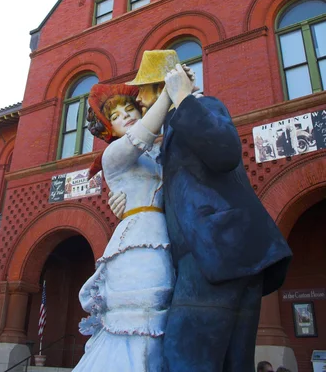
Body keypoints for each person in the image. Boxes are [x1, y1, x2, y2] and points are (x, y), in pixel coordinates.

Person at [110, 50, 293, 372]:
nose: (138, 101)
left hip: (215, 254)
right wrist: (130, 204)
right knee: (231, 364)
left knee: (185, 358)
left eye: (142, 91)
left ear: (163, 84)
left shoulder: (200, 108)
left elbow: (224, 152)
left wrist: (182, 95)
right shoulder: (174, 132)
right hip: (226, 257)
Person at [73, 82, 175, 372]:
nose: (126, 116)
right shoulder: (114, 155)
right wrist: (169, 93)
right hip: (138, 242)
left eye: (130, 109)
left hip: (165, 236)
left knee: (162, 318)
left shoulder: (158, 155)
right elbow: (140, 138)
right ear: (110, 129)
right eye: (116, 116)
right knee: (140, 315)